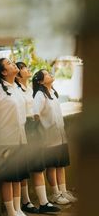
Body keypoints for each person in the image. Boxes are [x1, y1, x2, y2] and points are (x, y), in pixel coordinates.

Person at [15, 62, 64, 213]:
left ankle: (42, 202)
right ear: (18, 75)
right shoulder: (16, 90)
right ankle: (26, 202)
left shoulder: (28, 89)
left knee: (37, 167)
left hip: (34, 131)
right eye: (23, 68)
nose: (27, 69)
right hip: (23, 130)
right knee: (26, 168)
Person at [0, 58, 31, 216]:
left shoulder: (17, 88)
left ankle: (17, 210)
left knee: (18, 175)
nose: (13, 64)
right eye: (8, 63)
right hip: (5, 139)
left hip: (20, 137)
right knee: (8, 176)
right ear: (3, 72)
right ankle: (10, 212)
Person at [32, 69, 77, 204]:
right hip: (49, 137)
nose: (50, 74)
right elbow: (35, 114)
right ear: (40, 81)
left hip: (60, 135)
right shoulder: (40, 95)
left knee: (60, 165)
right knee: (52, 166)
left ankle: (63, 191)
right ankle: (55, 193)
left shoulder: (52, 92)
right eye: (46, 74)